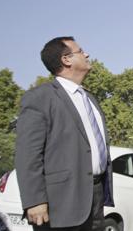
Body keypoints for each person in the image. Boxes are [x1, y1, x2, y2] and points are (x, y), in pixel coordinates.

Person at [15, 37, 113, 231]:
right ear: (66, 59)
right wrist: (34, 201)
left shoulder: (90, 99)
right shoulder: (40, 98)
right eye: (81, 51)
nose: (86, 54)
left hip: (95, 197)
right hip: (61, 203)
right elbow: (28, 154)